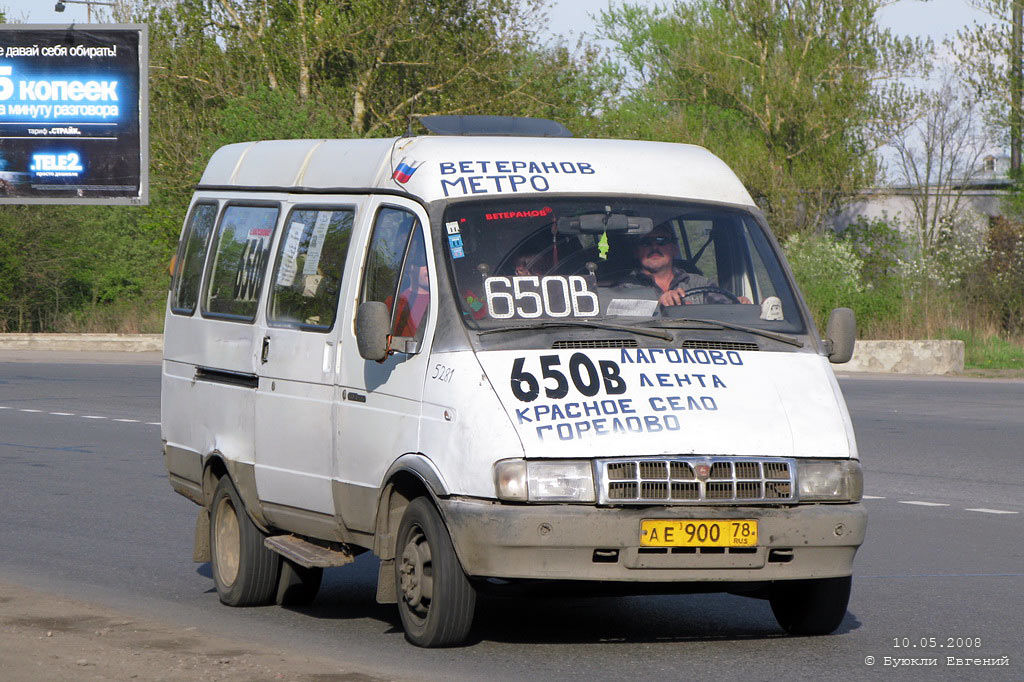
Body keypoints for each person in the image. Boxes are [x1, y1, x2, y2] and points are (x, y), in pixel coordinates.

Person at [621, 225, 749, 306]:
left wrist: (738, 306)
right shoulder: (624, 288)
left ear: (674, 249)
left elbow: (724, 313)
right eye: (646, 242)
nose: (654, 247)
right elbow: (618, 319)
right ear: (636, 251)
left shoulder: (701, 284)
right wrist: (659, 304)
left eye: (661, 241)